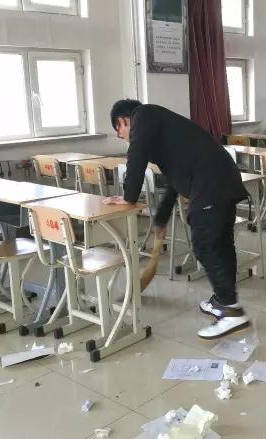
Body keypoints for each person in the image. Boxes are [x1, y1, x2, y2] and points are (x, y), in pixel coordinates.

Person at [104, 99, 250, 340]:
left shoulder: (143, 115)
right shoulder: (162, 128)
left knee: (205, 244)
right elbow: (174, 179)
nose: (124, 138)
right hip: (220, 178)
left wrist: (128, 197)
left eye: (120, 132)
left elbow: (136, 156)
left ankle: (231, 311)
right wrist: (161, 218)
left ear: (122, 121)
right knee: (221, 243)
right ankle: (223, 301)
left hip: (211, 182)